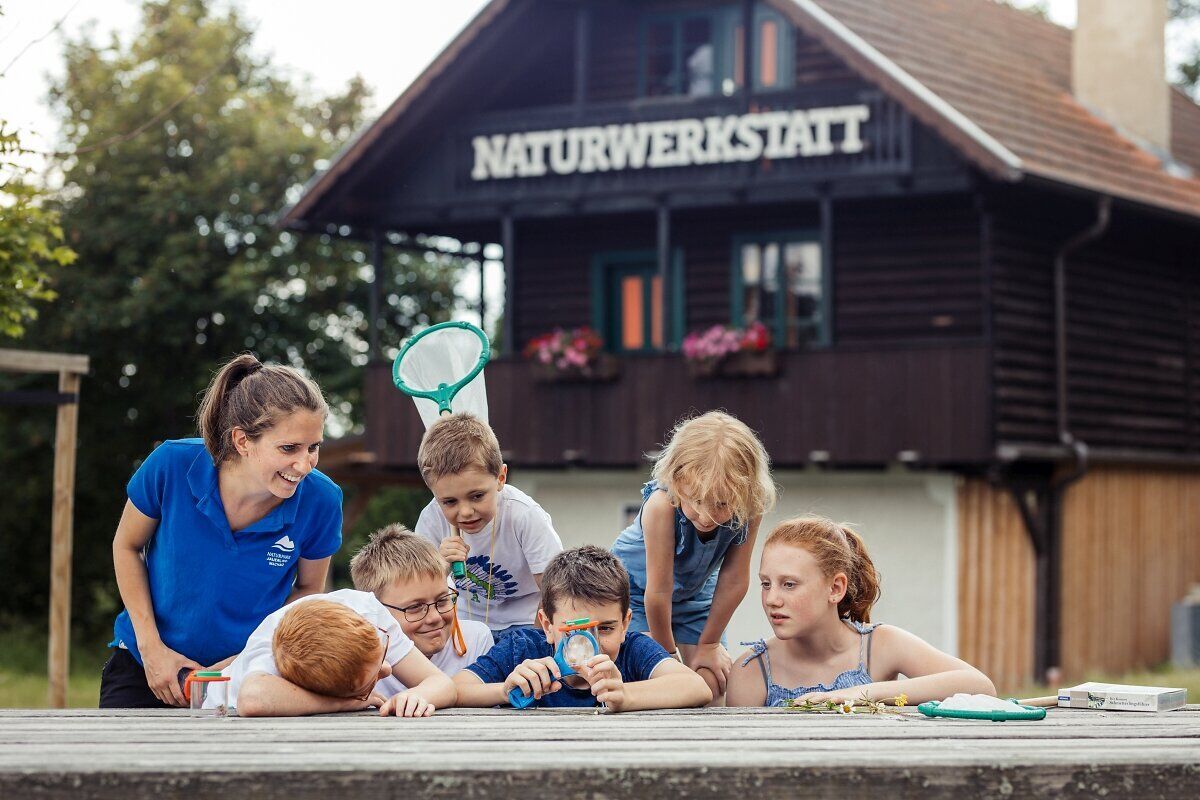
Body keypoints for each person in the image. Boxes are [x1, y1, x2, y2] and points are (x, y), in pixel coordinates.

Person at [101, 354, 343, 708]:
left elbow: (307, 590)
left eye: (314, 447)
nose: (304, 464)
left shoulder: (322, 499)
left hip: (247, 678)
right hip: (144, 668)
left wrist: (245, 660)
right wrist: (152, 650)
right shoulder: (171, 464)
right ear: (242, 441)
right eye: (289, 448)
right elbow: (126, 546)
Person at [726, 516, 996, 707]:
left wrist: (865, 693)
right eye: (765, 584)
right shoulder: (752, 672)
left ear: (835, 588)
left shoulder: (880, 646)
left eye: (789, 584)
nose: (772, 599)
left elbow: (980, 686)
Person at [611, 411, 776, 701]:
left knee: (712, 680)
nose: (705, 515)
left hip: (694, 592)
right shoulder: (661, 507)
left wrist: (709, 643)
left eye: (721, 504)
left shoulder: (751, 507)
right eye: (695, 501)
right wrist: (669, 656)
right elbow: (658, 590)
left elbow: (734, 580)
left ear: (745, 493)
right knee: (650, 675)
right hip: (636, 592)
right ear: (676, 481)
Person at [453, 545, 711, 711]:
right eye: (574, 632)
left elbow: (696, 687)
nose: (591, 644)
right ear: (547, 625)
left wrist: (626, 696)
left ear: (625, 624)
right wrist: (503, 690)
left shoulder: (633, 650)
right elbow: (456, 689)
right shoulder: (521, 649)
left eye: (606, 629)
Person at [414, 413, 562, 637]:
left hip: (525, 623)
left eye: (476, 496)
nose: (465, 512)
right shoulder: (431, 519)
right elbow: (416, 593)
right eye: (449, 501)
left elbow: (555, 589)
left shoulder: (524, 515)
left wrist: (535, 642)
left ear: (501, 478)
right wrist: (439, 567)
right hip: (462, 623)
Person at [210, 591, 455, 717]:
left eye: (381, 656)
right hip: (212, 709)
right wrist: (342, 704)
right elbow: (252, 699)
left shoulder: (368, 612)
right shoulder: (275, 651)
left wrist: (418, 695)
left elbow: (443, 683)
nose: (388, 670)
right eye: (366, 686)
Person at [349, 524, 494, 680]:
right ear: (375, 611)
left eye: (443, 600)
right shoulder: (358, 662)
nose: (435, 618)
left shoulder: (476, 641)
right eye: (415, 607)